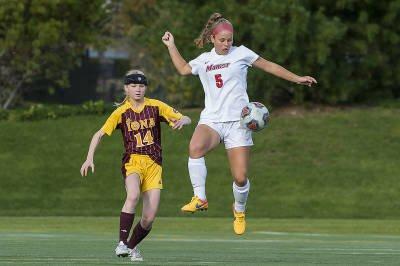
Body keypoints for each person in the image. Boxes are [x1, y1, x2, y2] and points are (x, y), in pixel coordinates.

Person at [161, 13, 317, 235]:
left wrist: (297, 78)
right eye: (222, 40)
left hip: (238, 124)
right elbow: (184, 69)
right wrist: (171, 45)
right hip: (212, 119)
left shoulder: (241, 53)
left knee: (240, 177)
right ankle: (200, 198)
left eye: (230, 40)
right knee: (195, 148)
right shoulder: (204, 59)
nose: (227, 44)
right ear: (212, 39)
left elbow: (269, 66)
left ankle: (239, 210)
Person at [80, 70, 191, 261]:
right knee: (133, 195)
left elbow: (186, 118)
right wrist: (89, 157)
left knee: (149, 218)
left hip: (154, 164)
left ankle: (132, 247)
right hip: (133, 161)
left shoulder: (156, 106)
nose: (138, 89)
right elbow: (98, 134)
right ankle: (122, 243)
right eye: (133, 86)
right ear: (126, 88)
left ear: (145, 88)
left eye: (141, 86)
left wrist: (182, 120)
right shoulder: (121, 112)